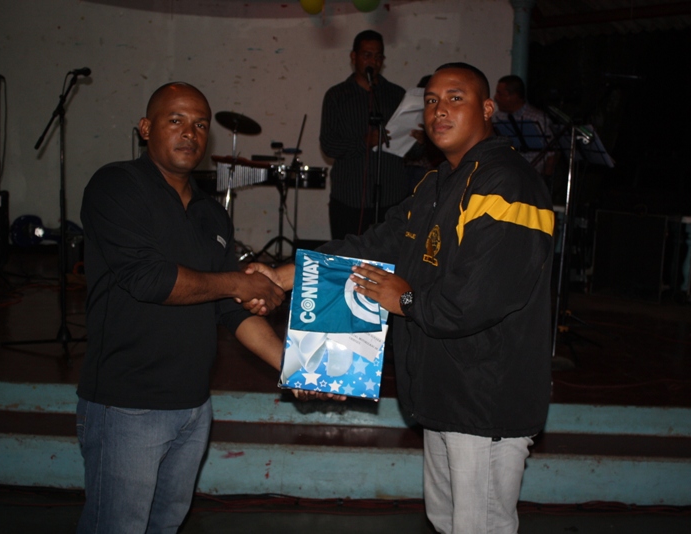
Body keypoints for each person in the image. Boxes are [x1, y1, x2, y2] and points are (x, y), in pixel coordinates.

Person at [252, 63, 554, 533]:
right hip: (445, 392)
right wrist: (284, 274)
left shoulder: (507, 184)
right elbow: (378, 244)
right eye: (431, 100)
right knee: (446, 519)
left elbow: (476, 298)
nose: (439, 110)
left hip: (486, 398)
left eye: (455, 98)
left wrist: (406, 301)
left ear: (487, 109)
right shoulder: (437, 184)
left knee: (479, 526)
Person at [76, 82, 298, 533]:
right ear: (145, 128)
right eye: (175, 120)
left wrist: (294, 366)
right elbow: (150, 279)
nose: (189, 133)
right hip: (127, 405)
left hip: (194, 408)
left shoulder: (211, 214)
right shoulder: (116, 185)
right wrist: (240, 281)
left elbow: (231, 310)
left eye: (199, 125)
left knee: (165, 526)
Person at [320, 29, 409, 239]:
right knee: (347, 255)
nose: (373, 62)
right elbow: (329, 145)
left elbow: (409, 150)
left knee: (389, 256)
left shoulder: (397, 95)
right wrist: (365, 142)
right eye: (367, 55)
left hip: (391, 196)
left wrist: (419, 141)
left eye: (378, 57)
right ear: (354, 57)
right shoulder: (337, 96)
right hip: (350, 196)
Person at [492, 74, 557, 182]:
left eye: (500, 94)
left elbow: (552, 155)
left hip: (533, 179)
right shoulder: (498, 117)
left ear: (514, 96)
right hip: (506, 178)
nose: (495, 97)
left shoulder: (538, 118)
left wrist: (545, 180)